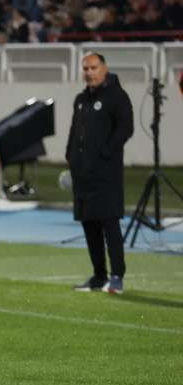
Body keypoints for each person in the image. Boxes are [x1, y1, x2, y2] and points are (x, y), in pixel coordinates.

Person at [67, 52, 134, 294]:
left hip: (106, 173)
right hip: (83, 173)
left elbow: (126, 128)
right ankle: (98, 276)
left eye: (93, 67)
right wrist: (70, 156)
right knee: (89, 225)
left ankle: (117, 277)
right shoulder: (80, 99)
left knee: (109, 223)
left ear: (104, 68)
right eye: (86, 68)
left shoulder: (117, 96)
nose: (89, 72)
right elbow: (75, 131)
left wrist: (106, 152)